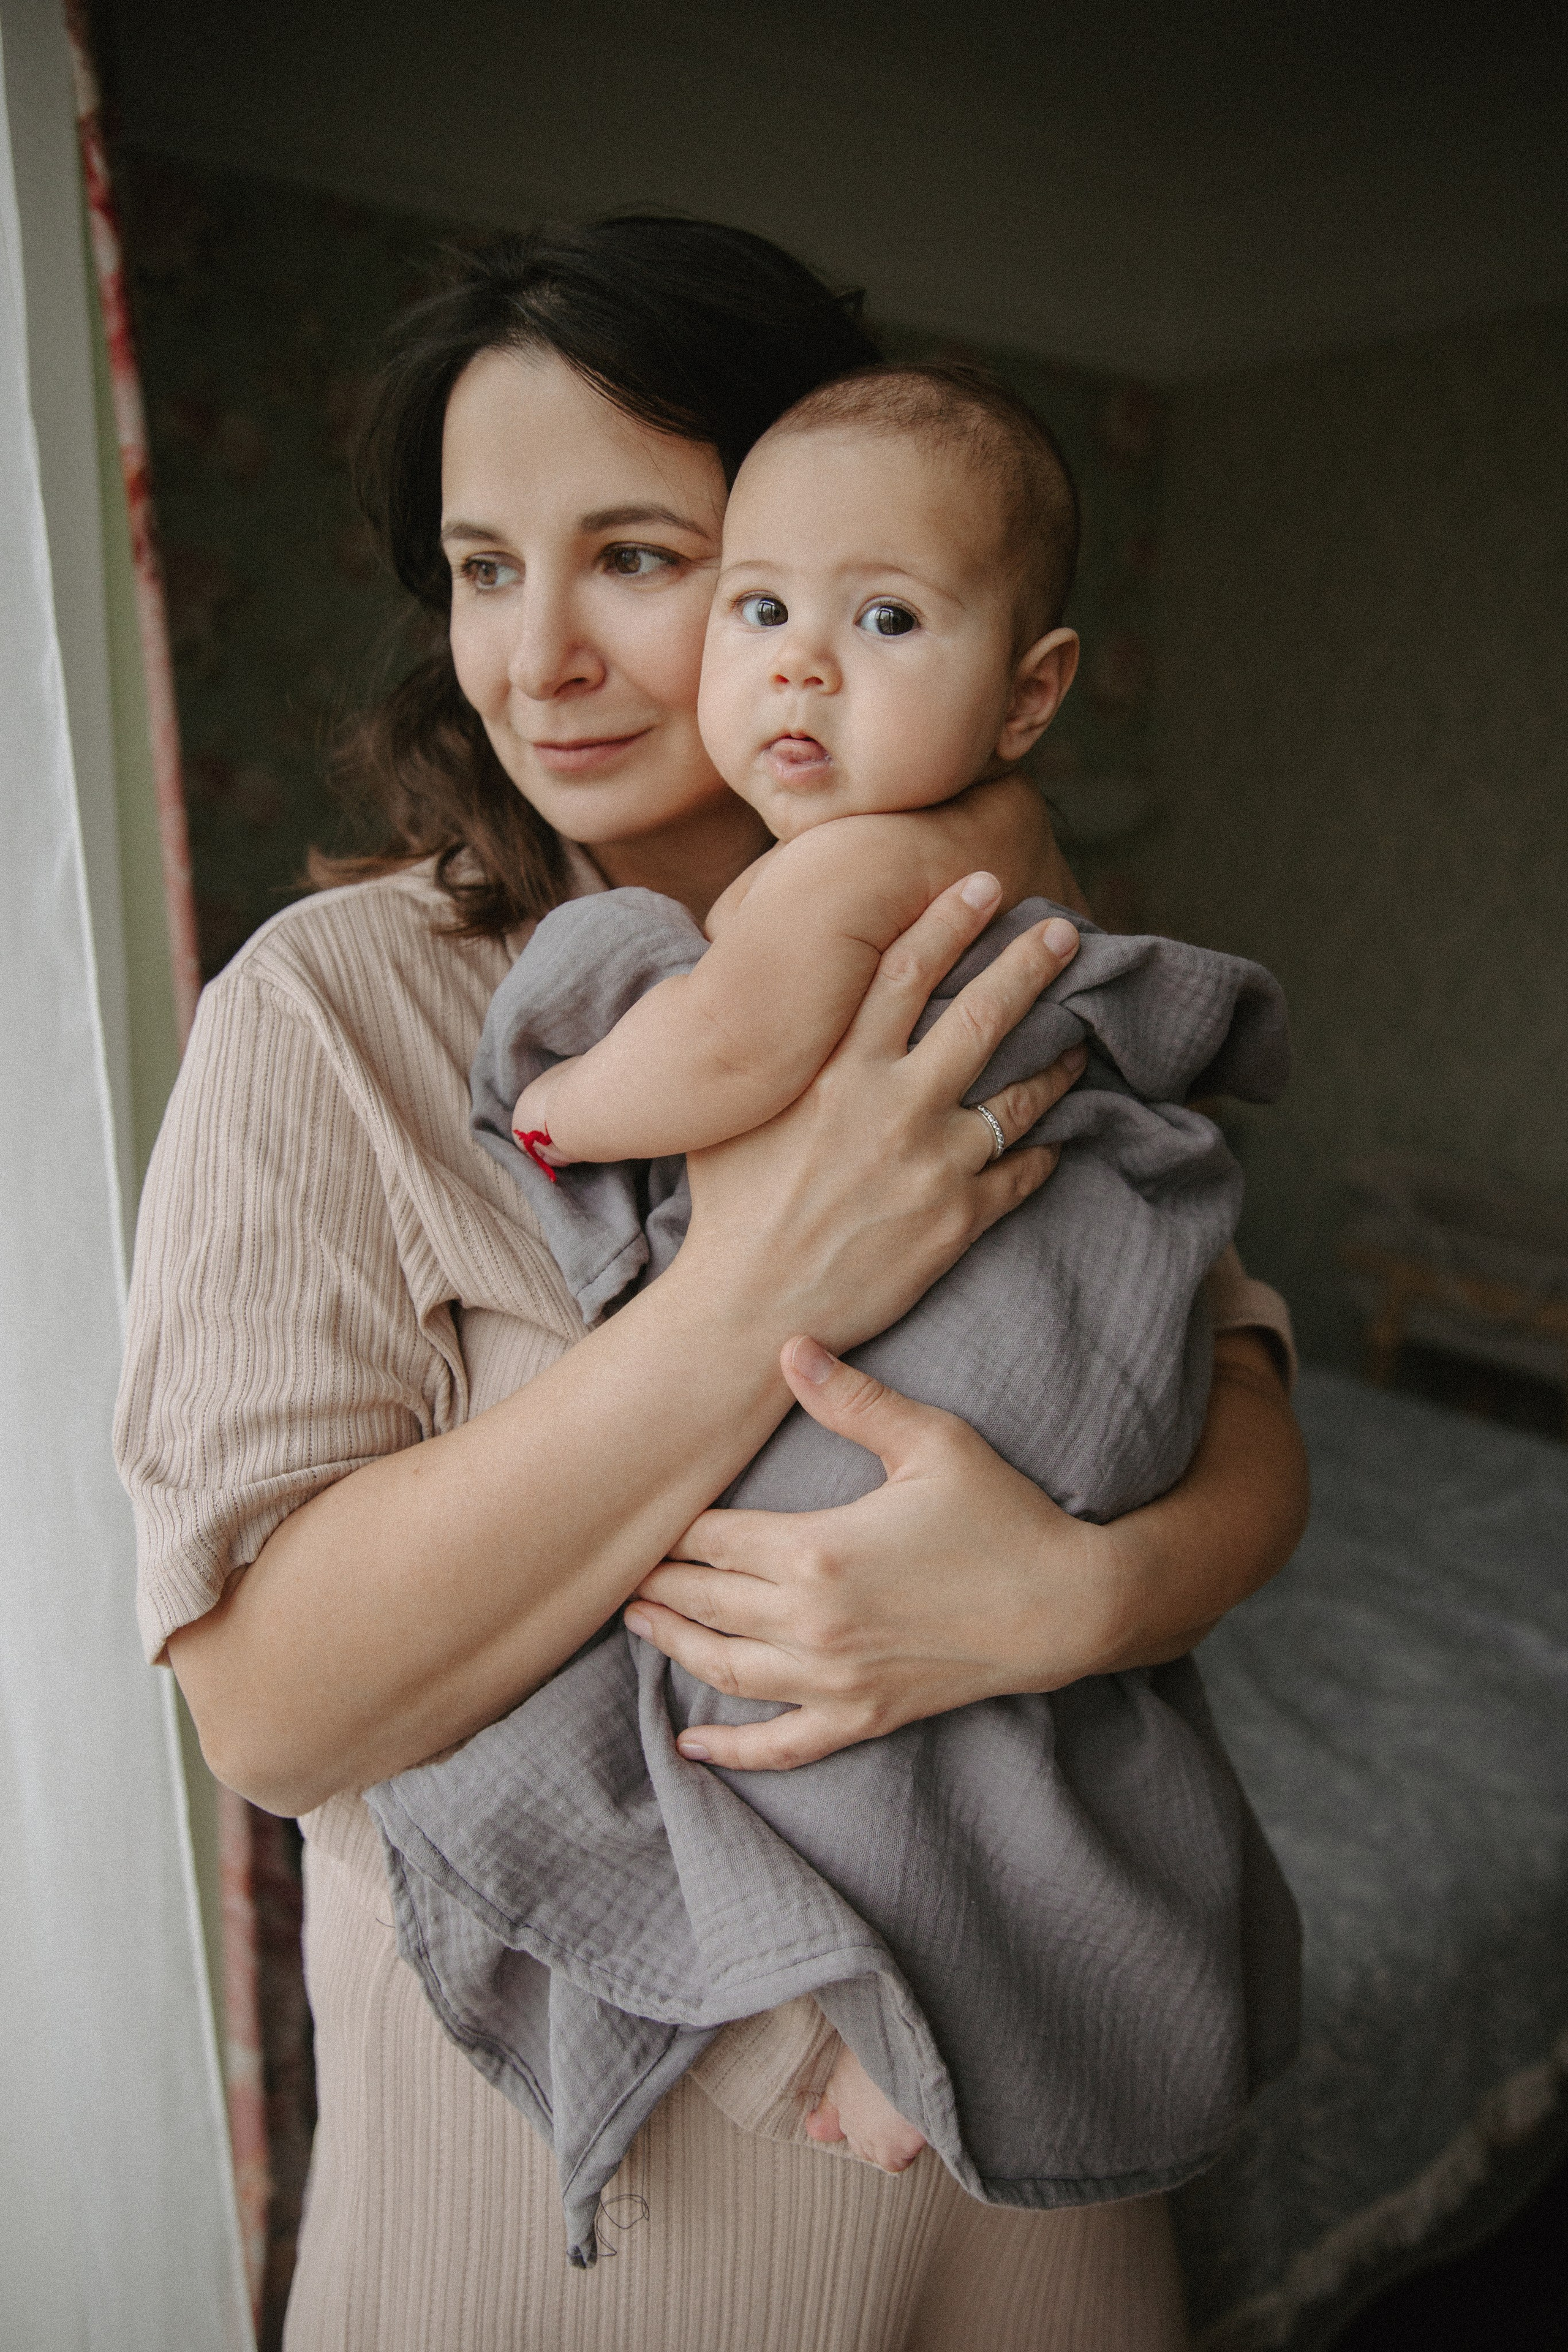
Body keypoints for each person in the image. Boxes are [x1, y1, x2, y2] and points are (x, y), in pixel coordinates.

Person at [115, 219, 1308, 2352]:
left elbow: (1241, 1413)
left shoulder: (991, 955)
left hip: (1032, 2133)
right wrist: (758, 1276)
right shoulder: (336, 1012)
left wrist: (1074, 1599)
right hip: (597, 2222)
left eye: (637, 560)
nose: (536, 656)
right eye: (483, 568)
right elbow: (273, 1713)